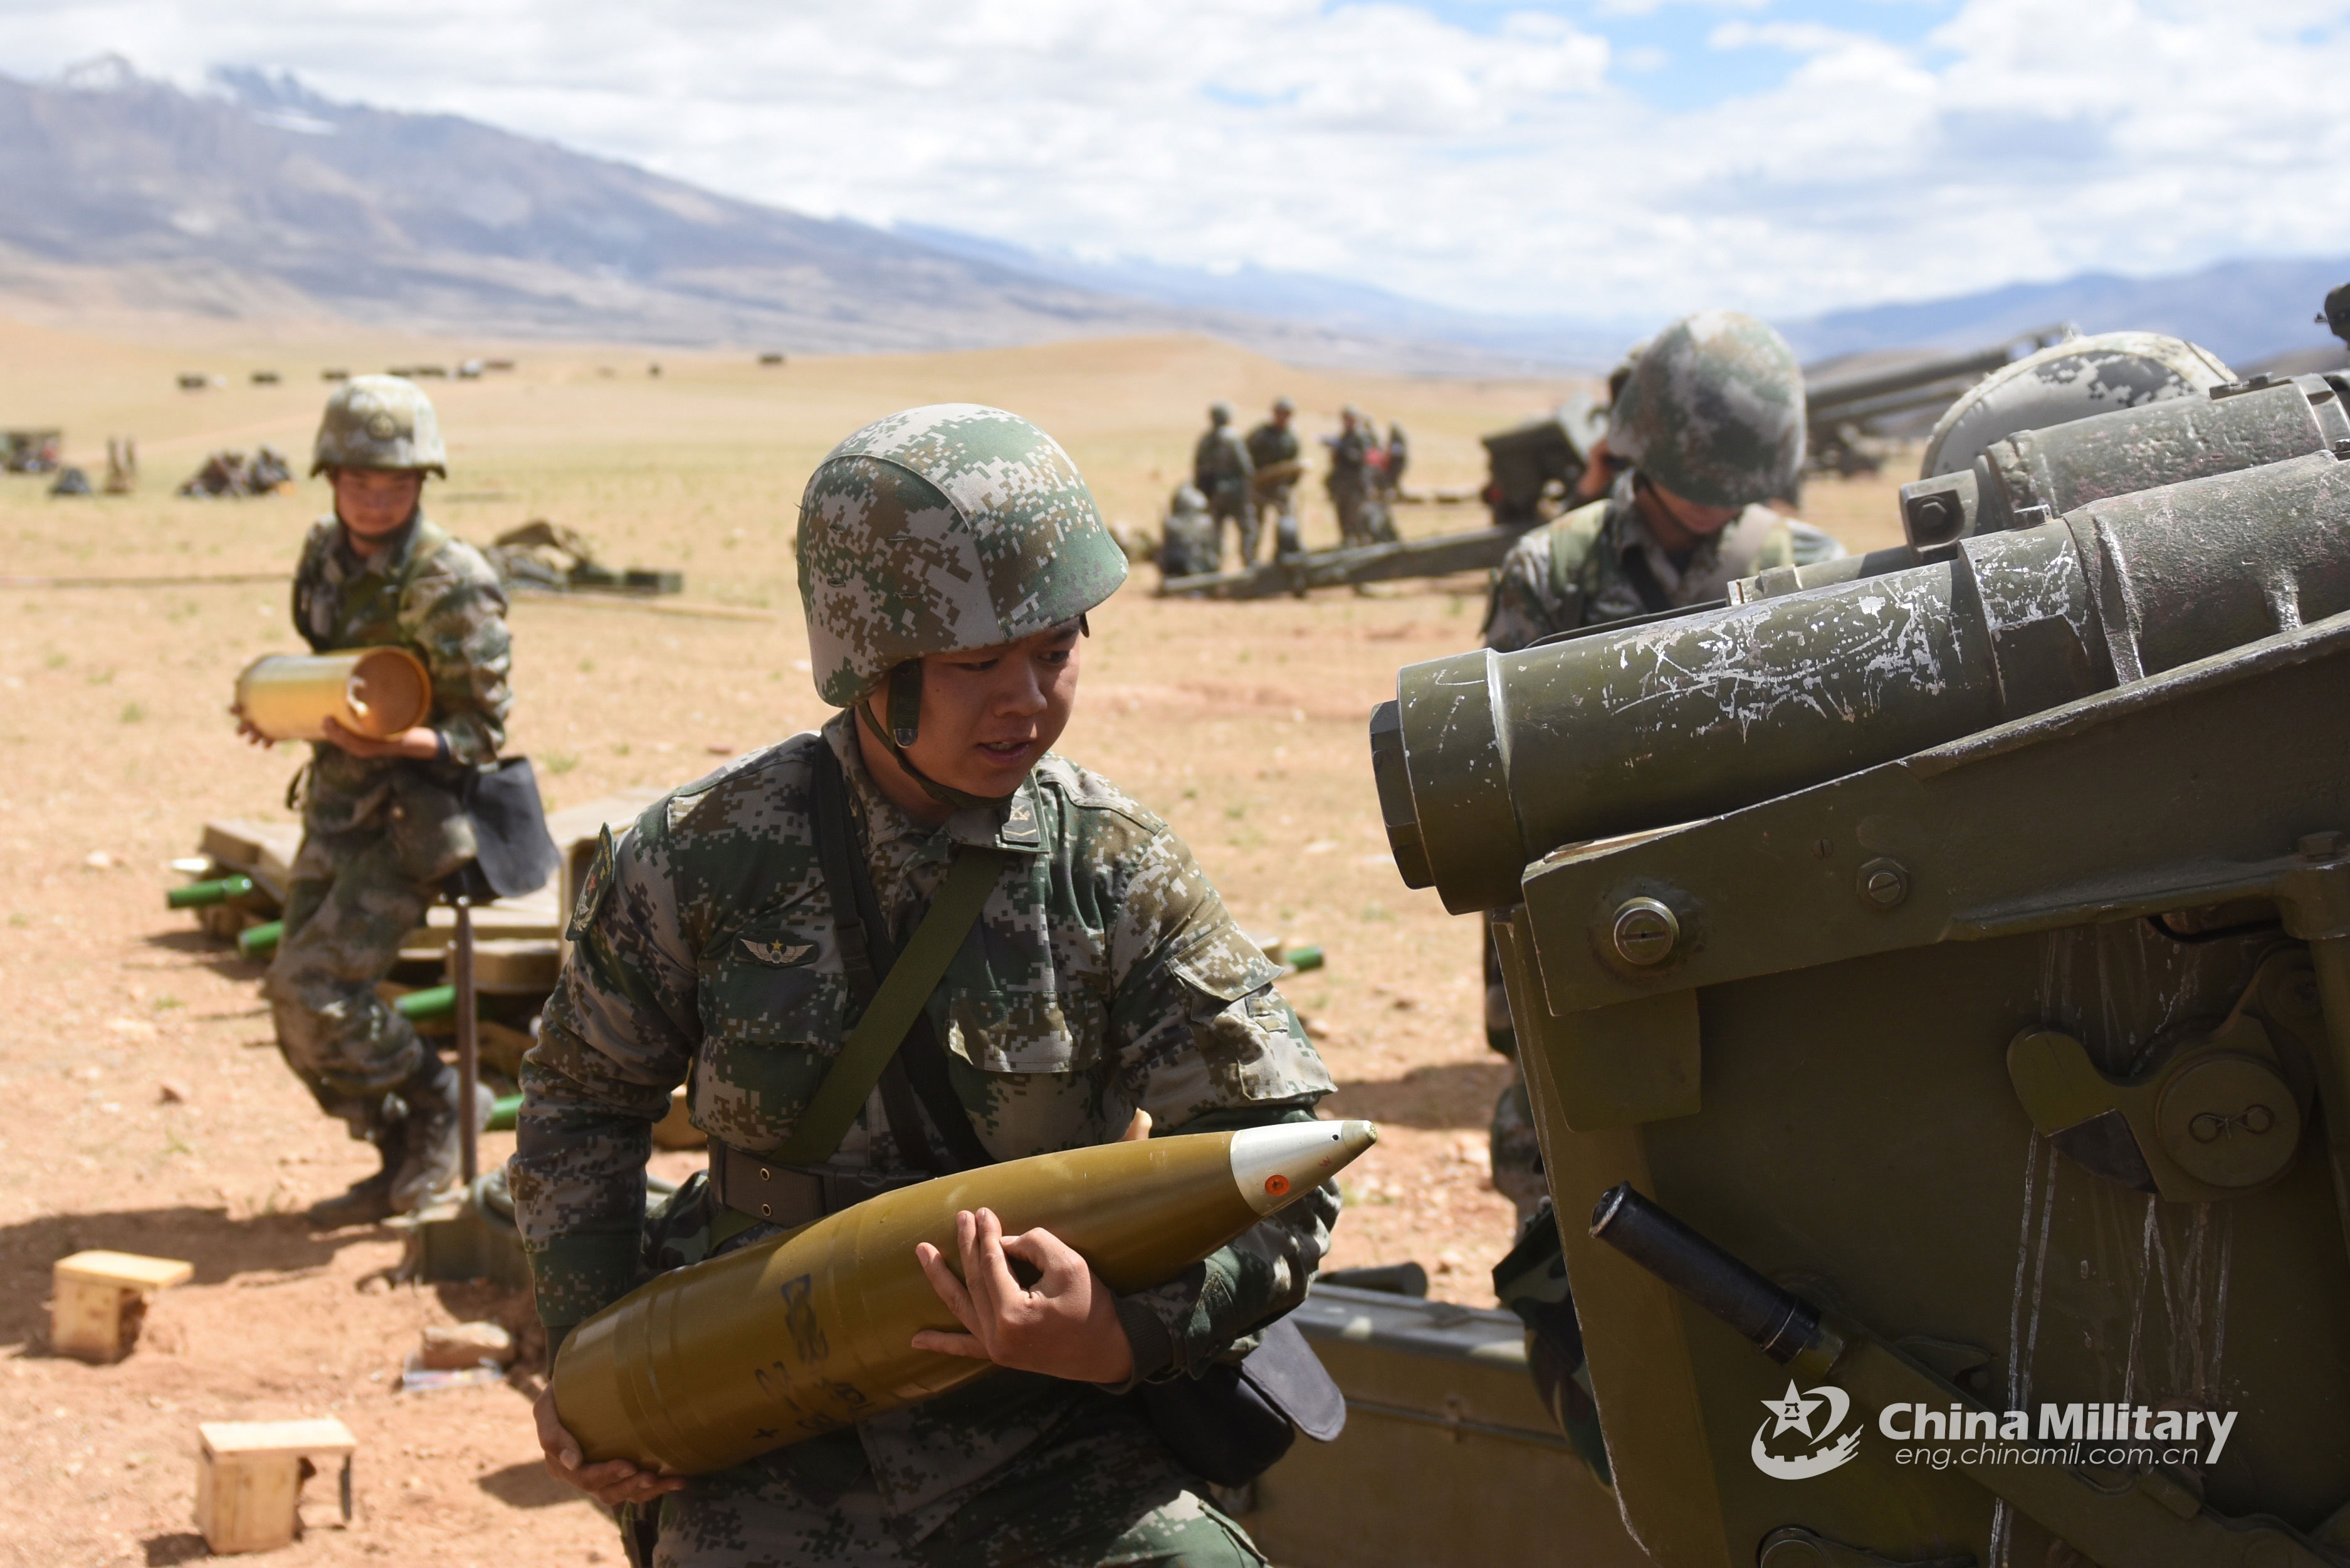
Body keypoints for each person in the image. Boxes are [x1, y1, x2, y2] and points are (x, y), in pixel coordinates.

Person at [518, 404, 1340, 1567]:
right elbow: (580, 1101)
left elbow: (1274, 1155)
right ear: (867, 663)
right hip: (761, 1402)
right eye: (973, 665)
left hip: (1037, 1424)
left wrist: (1116, 1337)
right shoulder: (702, 855)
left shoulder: (1111, 868)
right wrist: (596, 1370)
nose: (1025, 700)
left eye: (1054, 651)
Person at [1477, 311, 1842, 1223]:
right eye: (1695, 477)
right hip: (1583, 927)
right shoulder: (1552, 571)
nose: (1714, 502)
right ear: (1644, 446)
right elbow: (1494, 783)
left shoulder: (1809, 571)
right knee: (1571, 1191)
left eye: (1735, 484)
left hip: (1756, 933)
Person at [245, 375, 510, 1227]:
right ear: (330, 477)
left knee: (316, 988)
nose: (375, 500)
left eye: (395, 484)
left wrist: (389, 743)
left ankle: (444, 1099)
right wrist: (284, 711)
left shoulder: (450, 579)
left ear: (423, 482)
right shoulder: (324, 556)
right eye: (358, 481)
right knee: (294, 1010)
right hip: (336, 808)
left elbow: (480, 733)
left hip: (412, 824)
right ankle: (399, 1148)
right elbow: (331, 667)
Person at [1191, 401, 1256, 568]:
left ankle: (1215, 566)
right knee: (1247, 529)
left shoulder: (1205, 440)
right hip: (1235, 494)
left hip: (1213, 494)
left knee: (1215, 533)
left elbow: (1198, 469)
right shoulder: (1233, 438)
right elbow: (1246, 468)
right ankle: (1248, 563)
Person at [1321, 407, 1394, 548]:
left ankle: (1360, 543)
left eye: (1350, 419)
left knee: (1356, 517)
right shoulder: (1343, 437)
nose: (1347, 422)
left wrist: (1343, 450)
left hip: (1356, 484)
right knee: (1342, 515)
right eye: (1345, 419)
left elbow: (1362, 459)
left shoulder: (1361, 437)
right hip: (1342, 483)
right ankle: (1347, 541)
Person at [1242, 397, 1304, 560]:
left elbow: (1295, 462)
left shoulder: (1291, 437)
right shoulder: (1260, 434)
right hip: (1259, 487)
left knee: (1287, 523)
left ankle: (1285, 557)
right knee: (1255, 526)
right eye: (1280, 413)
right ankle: (1251, 560)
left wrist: (1291, 481)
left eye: (1287, 414)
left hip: (1280, 488)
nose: (1283, 417)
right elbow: (1245, 457)